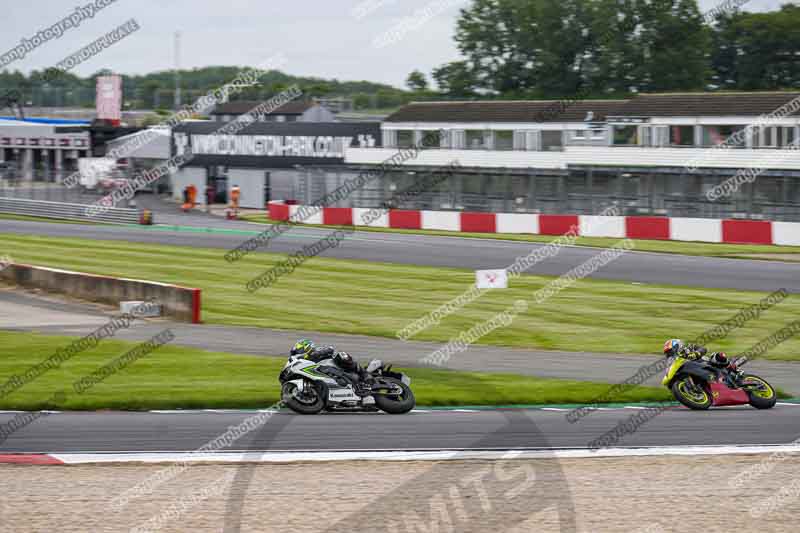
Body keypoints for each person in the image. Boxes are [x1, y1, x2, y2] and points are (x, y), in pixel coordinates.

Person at [662, 339, 741, 385]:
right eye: (668, 353)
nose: (670, 354)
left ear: (677, 346)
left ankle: (733, 368)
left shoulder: (689, 347)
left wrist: (695, 354)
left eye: (670, 351)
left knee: (718, 356)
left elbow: (704, 349)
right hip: (698, 373)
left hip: (707, 364)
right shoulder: (676, 362)